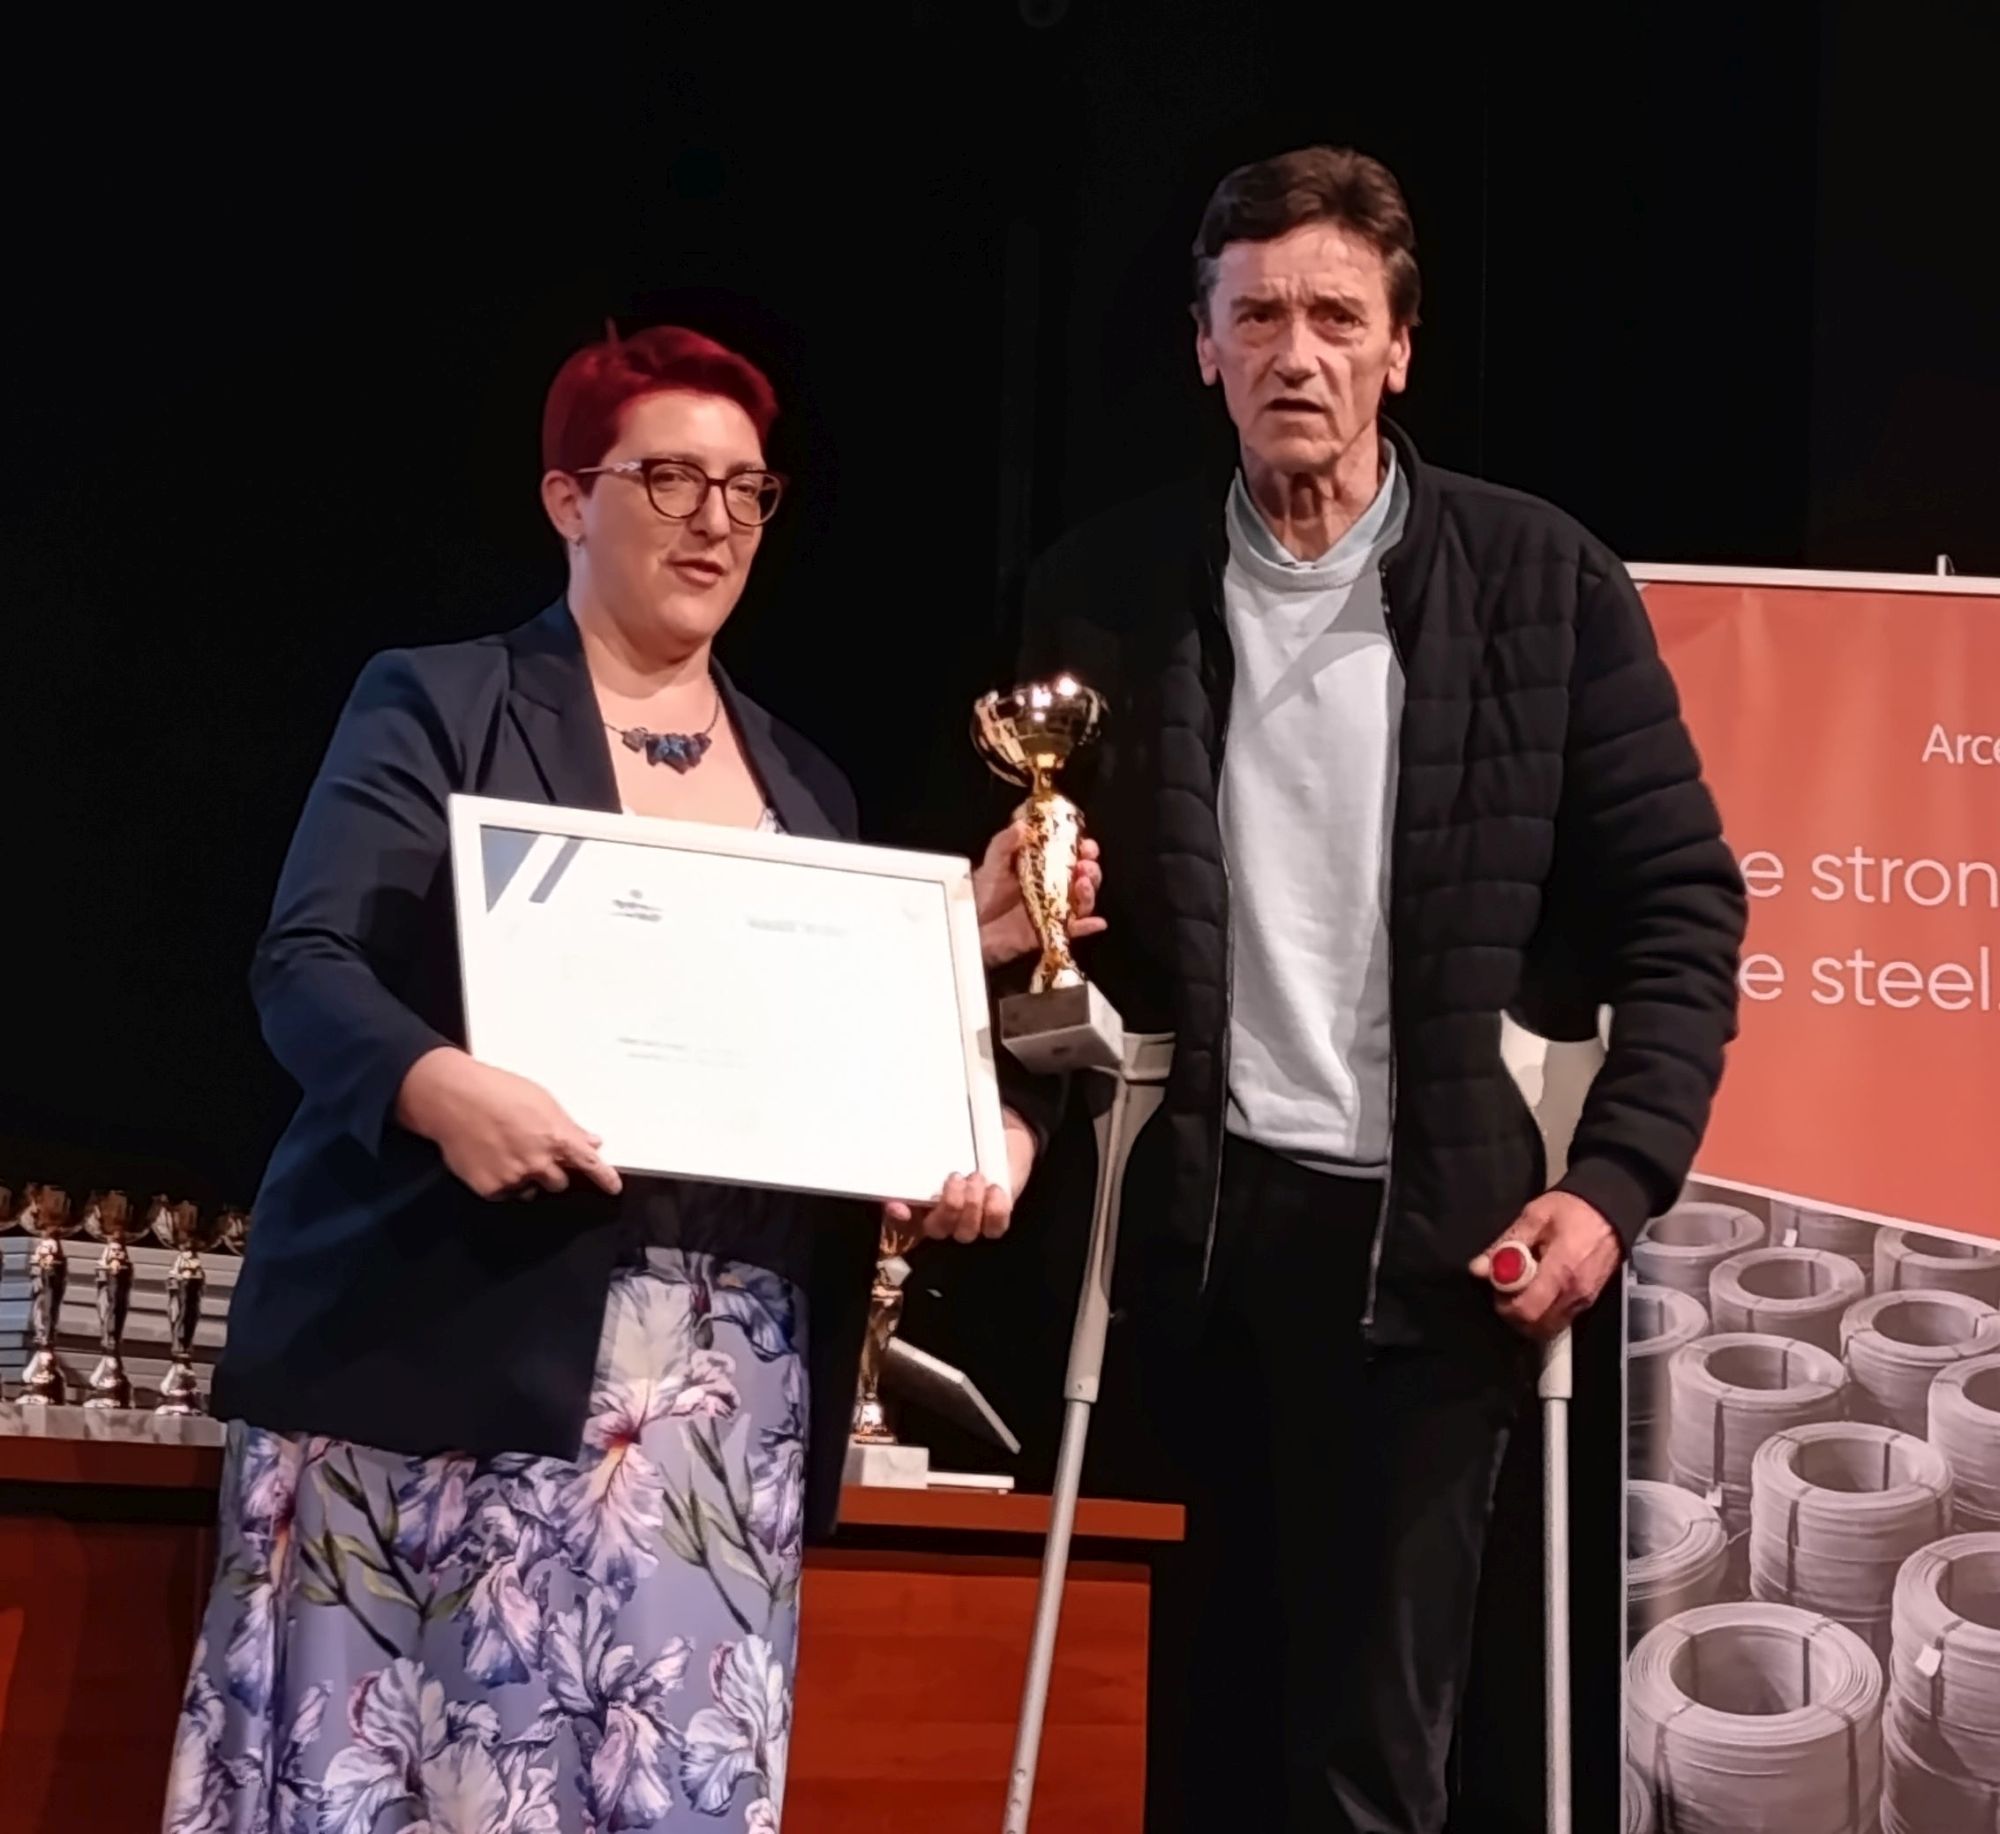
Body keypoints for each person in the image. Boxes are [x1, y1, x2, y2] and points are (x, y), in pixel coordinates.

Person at [163, 324, 1096, 1834]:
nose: (713, 519)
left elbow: (808, 1051)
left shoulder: (804, 785)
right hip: (444, 1355)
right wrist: (443, 1089)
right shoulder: (444, 703)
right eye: (668, 477)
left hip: (716, 1401)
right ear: (567, 499)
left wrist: (964, 955)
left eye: (746, 488)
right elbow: (308, 964)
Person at [1007, 147, 1745, 1832]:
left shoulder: (1543, 582)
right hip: (1185, 1241)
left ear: (1400, 348)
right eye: (1258, 314)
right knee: (1165, 1742)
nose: (1298, 353)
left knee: (1368, 1768)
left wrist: (1612, 1185)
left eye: (1337, 317)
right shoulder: (1101, 591)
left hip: (1433, 1259)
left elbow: (1683, 909)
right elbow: (1045, 916)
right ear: (1203, 345)